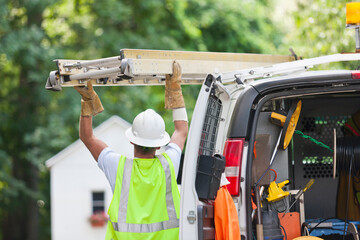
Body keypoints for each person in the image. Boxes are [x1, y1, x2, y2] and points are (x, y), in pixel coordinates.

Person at [75, 61, 188, 240]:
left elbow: (87, 137)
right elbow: (181, 131)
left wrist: (88, 101)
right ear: (159, 144)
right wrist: (175, 90)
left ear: (131, 140)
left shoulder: (118, 167)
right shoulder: (169, 164)